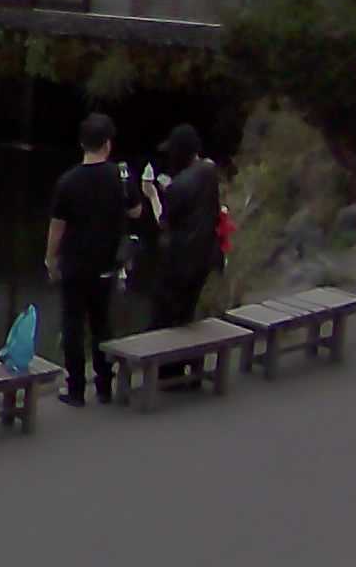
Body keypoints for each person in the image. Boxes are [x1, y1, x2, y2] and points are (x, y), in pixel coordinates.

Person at [43, 111, 130, 405]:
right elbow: (135, 211)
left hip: (75, 264)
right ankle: (105, 384)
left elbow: (57, 227)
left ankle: (76, 388)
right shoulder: (117, 177)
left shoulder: (68, 182)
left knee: (72, 324)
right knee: (102, 323)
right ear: (107, 144)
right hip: (105, 263)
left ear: (82, 143)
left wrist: (50, 259)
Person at [143, 124, 223, 340]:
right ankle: (186, 364)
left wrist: (152, 195)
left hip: (179, 263)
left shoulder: (179, 186)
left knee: (163, 320)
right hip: (205, 258)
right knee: (186, 316)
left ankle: (164, 369)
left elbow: (164, 222)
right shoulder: (209, 171)